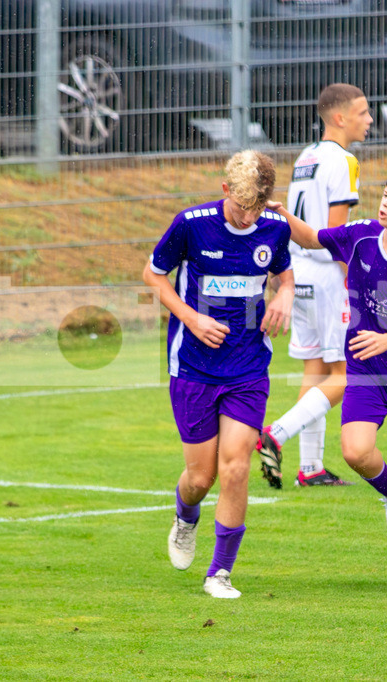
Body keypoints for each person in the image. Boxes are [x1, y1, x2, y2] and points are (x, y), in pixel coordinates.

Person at [265, 168, 387, 589]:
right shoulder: (362, 234)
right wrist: (281, 216)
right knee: (355, 451)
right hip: (368, 367)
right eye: (385, 194)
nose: (385, 203)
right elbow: (312, 238)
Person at [143, 150, 294, 598]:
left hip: (248, 366)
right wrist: (191, 318)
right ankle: (185, 518)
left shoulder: (275, 227)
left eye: (257, 209)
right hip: (192, 366)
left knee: (235, 468)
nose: (249, 218)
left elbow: (284, 275)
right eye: (241, 206)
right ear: (226, 190)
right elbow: (153, 275)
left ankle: (220, 573)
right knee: (200, 478)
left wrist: (284, 294)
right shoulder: (191, 224)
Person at [257, 83, 374, 489]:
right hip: (327, 274)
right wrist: (355, 276)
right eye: (363, 112)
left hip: (299, 269)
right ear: (340, 118)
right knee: (350, 371)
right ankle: (277, 433)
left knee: (315, 367)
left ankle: (310, 468)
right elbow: (336, 232)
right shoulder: (345, 160)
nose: (370, 119)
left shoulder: (305, 157)